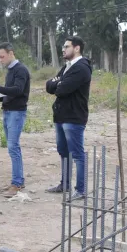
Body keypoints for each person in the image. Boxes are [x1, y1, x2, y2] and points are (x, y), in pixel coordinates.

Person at [45, 35, 92, 199]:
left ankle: (81, 190)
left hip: (73, 117)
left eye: (66, 47)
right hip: (61, 116)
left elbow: (61, 89)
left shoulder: (82, 67)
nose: (63, 49)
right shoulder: (67, 67)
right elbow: (49, 86)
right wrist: (58, 82)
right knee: (63, 152)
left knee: (77, 154)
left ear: (77, 48)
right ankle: (65, 184)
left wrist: (58, 83)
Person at [0, 43, 31, 197]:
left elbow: (18, 90)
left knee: (13, 147)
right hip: (8, 111)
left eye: (2, 56)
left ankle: (17, 183)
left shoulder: (21, 70)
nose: (0, 60)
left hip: (16, 113)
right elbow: (10, 93)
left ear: (11, 53)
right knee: (12, 147)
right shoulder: (11, 71)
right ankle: (18, 180)